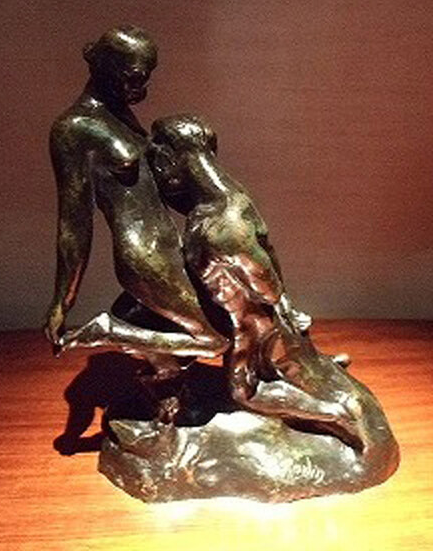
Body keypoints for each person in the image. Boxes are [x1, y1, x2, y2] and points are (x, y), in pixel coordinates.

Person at [146, 114, 361, 444]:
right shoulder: (231, 196)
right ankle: (315, 372)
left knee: (243, 394)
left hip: (248, 325)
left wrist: (278, 308)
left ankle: (335, 416)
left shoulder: (219, 228)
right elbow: (268, 254)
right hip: (253, 318)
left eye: (158, 165)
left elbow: (265, 287)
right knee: (284, 367)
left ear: (168, 160)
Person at [45, 27, 228, 374]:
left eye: (146, 77)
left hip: (173, 246)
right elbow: (74, 222)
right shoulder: (73, 128)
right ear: (105, 66)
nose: (141, 88)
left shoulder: (120, 115)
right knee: (215, 341)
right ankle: (107, 331)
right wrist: (62, 302)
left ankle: (165, 383)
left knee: (226, 317)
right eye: (134, 77)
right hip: (143, 255)